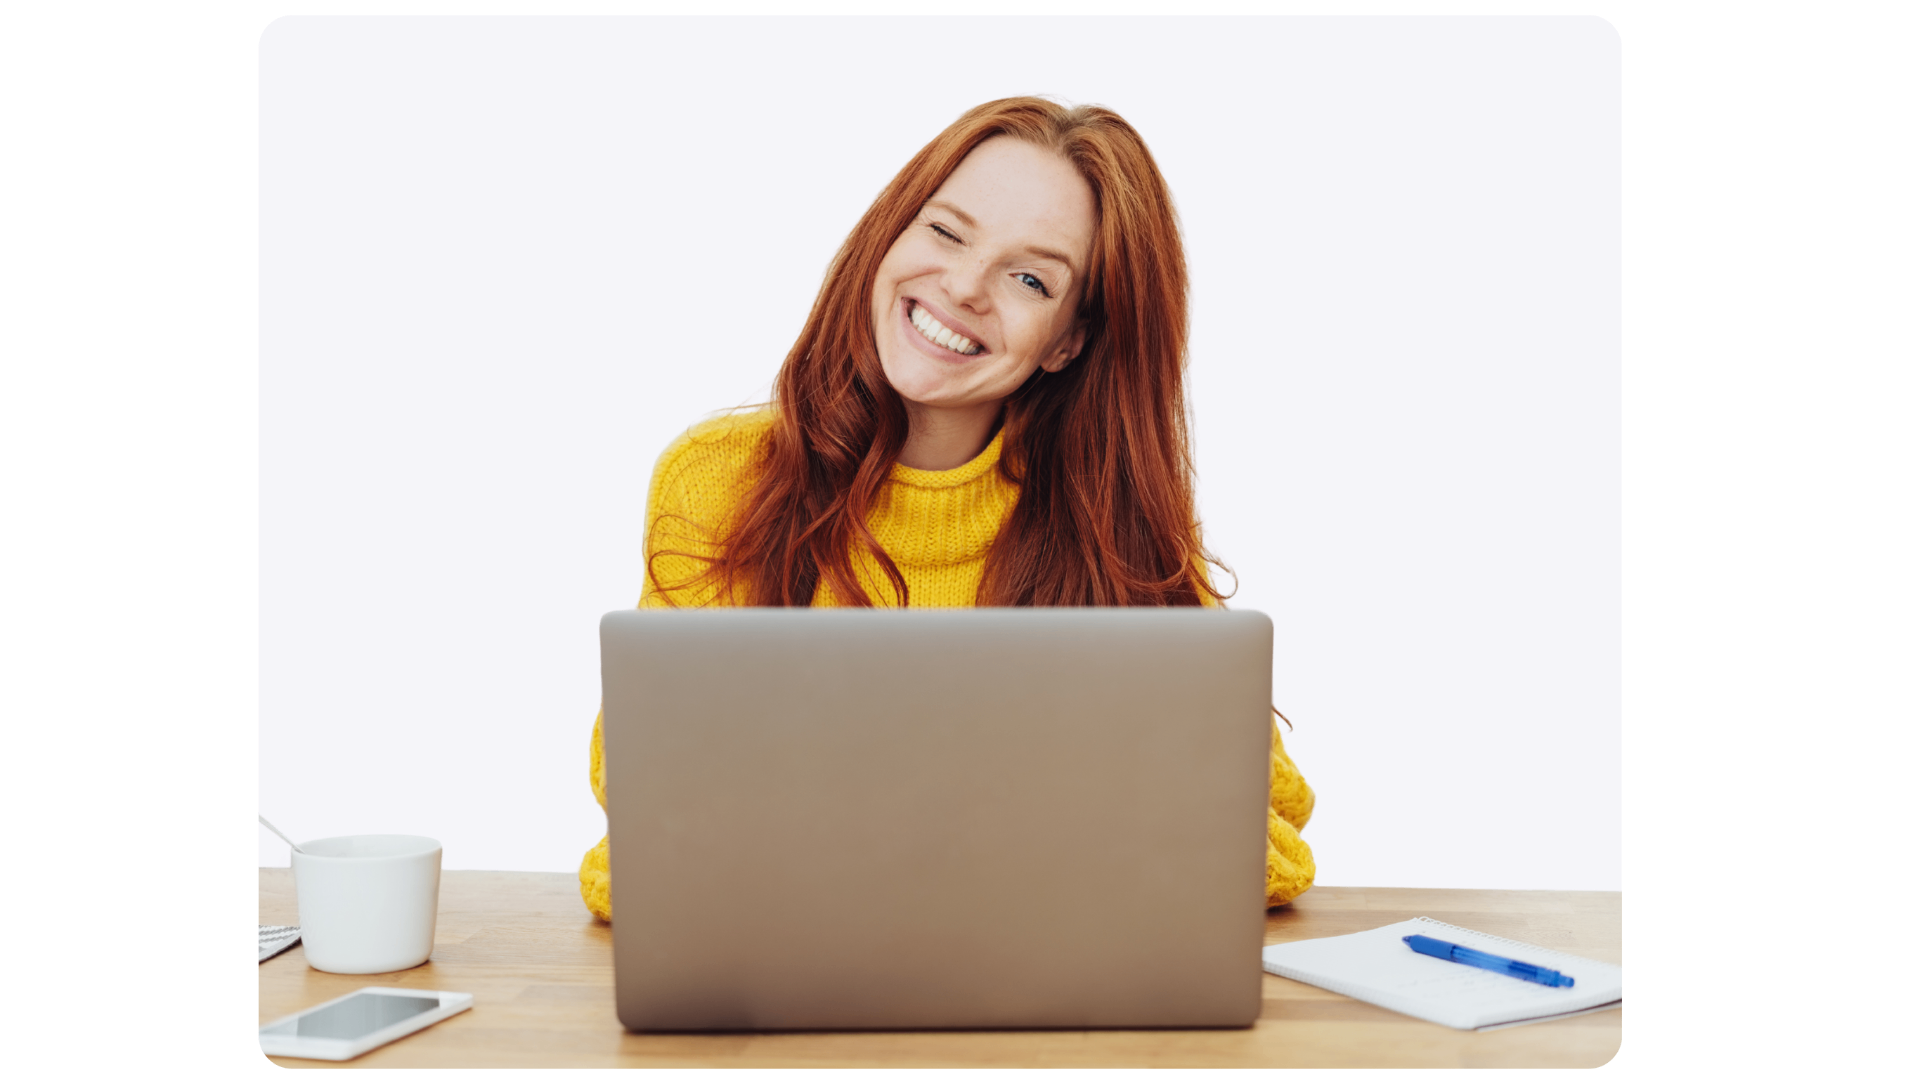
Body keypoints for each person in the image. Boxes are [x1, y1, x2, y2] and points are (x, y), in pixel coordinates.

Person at [579, 94, 1315, 922]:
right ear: (890, 234)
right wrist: (1043, 817)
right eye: (946, 231)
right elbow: (645, 821)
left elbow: (1267, 846)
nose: (963, 287)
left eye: (1030, 278)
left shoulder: (1113, 532)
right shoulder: (720, 478)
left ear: (1069, 340)